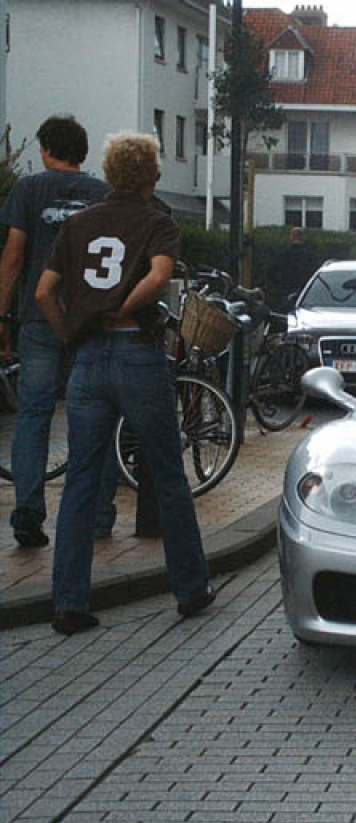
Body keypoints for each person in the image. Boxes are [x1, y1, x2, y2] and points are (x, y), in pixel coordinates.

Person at [34, 131, 215, 635]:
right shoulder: (157, 223)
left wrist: (71, 329)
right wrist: (125, 306)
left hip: (88, 358)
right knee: (166, 473)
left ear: (111, 174)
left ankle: (69, 602)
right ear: (150, 176)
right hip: (137, 351)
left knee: (80, 481)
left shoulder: (77, 225)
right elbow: (159, 277)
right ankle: (191, 587)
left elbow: (45, 290)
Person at [0, 114, 117, 548]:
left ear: (47, 150)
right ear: (81, 153)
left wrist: (1, 319)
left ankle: (29, 512)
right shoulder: (105, 195)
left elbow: (13, 259)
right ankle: (99, 514)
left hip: (38, 317)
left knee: (33, 416)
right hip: (92, 321)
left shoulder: (28, 191)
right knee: (94, 416)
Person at [276, 226, 319, 297]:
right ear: (303, 237)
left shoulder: (285, 253)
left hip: (288, 288)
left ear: (291, 237)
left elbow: (277, 270)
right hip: (305, 288)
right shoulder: (309, 254)